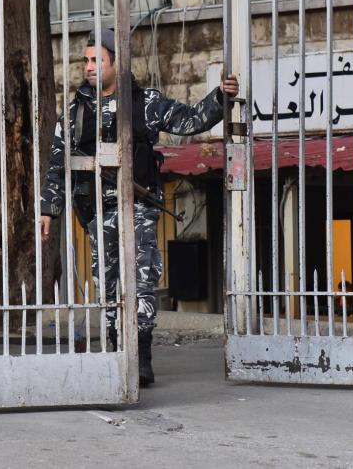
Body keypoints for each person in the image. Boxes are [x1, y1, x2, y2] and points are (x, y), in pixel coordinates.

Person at [39, 29, 239, 386]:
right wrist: (48, 209)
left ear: (116, 63)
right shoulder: (75, 112)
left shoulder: (144, 102)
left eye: (97, 60)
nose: (89, 67)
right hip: (97, 211)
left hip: (138, 207)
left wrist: (221, 97)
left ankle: (141, 354)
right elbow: (58, 162)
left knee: (142, 279)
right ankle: (117, 348)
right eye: (86, 60)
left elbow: (190, 120)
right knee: (107, 283)